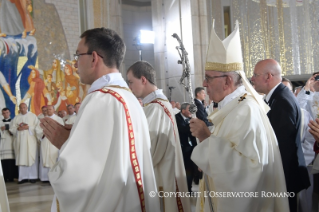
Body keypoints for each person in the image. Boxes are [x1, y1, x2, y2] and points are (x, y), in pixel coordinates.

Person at [40, 27, 159, 212]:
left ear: (94, 58)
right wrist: (76, 138)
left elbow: (83, 176)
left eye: (78, 55)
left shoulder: (100, 99)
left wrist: (65, 144)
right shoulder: (129, 98)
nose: (75, 63)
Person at [189, 20, 289, 212]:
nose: (204, 83)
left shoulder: (246, 110)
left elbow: (248, 172)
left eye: (208, 77)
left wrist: (205, 139)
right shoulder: (233, 107)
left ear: (227, 81)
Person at [127, 61, 191, 212]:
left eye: (130, 82)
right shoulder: (156, 105)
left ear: (143, 80)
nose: (129, 87)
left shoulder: (156, 108)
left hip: (161, 178)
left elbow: (148, 152)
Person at [252, 59, 310, 212]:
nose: (252, 79)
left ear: (268, 76)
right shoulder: (277, 97)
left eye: (255, 74)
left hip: (286, 176)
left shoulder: (282, 101)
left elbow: (283, 146)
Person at [282, 77, 315, 212]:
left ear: (293, 93)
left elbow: (310, 141)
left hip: (301, 166)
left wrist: (297, 160)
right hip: (277, 168)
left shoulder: (304, 114)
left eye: (287, 91)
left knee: (303, 203)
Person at [10, 103, 40, 184]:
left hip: (30, 141)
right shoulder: (16, 118)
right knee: (22, 157)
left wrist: (29, 127)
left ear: (27, 107)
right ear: (19, 109)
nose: (23, 109)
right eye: (21, 108)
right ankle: (23, 177)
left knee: (31, 156)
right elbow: (11, 128)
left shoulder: (33, 116)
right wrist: (17, 129)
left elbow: (38, 127)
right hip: (20, 141)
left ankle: (32, 177)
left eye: (24, 107)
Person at [175, 103, 197, 193]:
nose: (191, 111)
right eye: (189, 109)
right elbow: (183, 129)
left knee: (191, 168)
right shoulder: (176, 118)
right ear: (183, 110)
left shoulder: (190, 118)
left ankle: (189, 188)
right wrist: (193, 124)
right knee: (185, 169)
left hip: (191, 147)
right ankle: (185, 189)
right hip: (182, 148)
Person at [39, 105, 63, 182]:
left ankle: (54, 178)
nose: (48, 111)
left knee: (54, 158)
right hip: (45, 140)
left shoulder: (58, 119)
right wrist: (42, 133)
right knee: (45, 157)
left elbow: (62, 130)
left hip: (54, 142)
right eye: (47, 110)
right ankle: (45, 178)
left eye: (50, 109)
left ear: (53, 110)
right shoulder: (42, 120)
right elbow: (37, 130)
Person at [0, 108, 16, 182]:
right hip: (3, 143)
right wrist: (1, 130)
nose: (5, 114)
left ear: (9, 113)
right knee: (4, 161)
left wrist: (10, 130)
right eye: (4, 113)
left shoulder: (13, 121)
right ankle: (5, 177)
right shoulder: (0, 122)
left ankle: (11, 177)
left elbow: (15, 131)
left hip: (10, 142)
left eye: (7, 112)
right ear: (2, 114)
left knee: (11, 160)